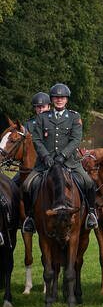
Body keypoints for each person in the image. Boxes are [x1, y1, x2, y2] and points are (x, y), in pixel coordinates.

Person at [25, 83, 99, 231]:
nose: (59, 100)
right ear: (52, 100)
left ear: (66, 100)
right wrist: (46, 156)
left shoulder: (74, 117)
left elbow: (76, 139)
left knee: (89, 182)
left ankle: (91, 213)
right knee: (27, 185)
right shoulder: (42, 117)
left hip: (69, 162)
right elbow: (37, 139)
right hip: (45, 163)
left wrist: (63, 155)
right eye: (56, 97)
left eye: (62, 98)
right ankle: (30, 218)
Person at [16, 92, 50, 233]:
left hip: (50, 163)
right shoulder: (29, 125)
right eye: (37, 107)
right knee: (12, 186)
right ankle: (19, 218)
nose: (40, 109)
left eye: (42, 107)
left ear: (49, 106)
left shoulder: (54, 122)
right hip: (31, 165)